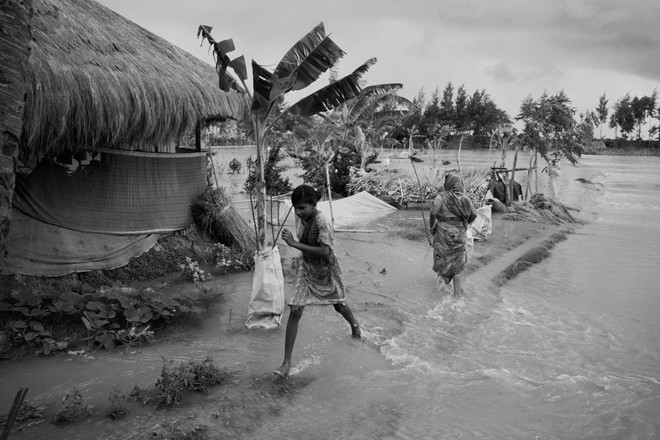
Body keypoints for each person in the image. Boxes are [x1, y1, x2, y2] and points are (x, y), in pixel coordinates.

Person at [273, 185, 361, 378]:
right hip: (306, 267)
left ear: (313, 205)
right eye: (296, 208)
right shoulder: (300, 216)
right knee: (295, 309)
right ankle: (286, 362)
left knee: (338, 305)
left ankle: (355, 326)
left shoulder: (322, 221)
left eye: (302, 208)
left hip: (325, 268)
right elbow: (305, 243)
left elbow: (325, 251)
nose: (298, 212)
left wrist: (295, 243)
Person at [429, 174, 478, 297]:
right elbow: (474, 214)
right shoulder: (466, 198)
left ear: (448, 184)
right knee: (457, 264)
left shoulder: (442, 197)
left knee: (442, 259)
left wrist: (431, 226)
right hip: (460, 234)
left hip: (443, 234)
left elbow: (433, 211)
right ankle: (457, 295)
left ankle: (441, 291)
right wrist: (465, 224)